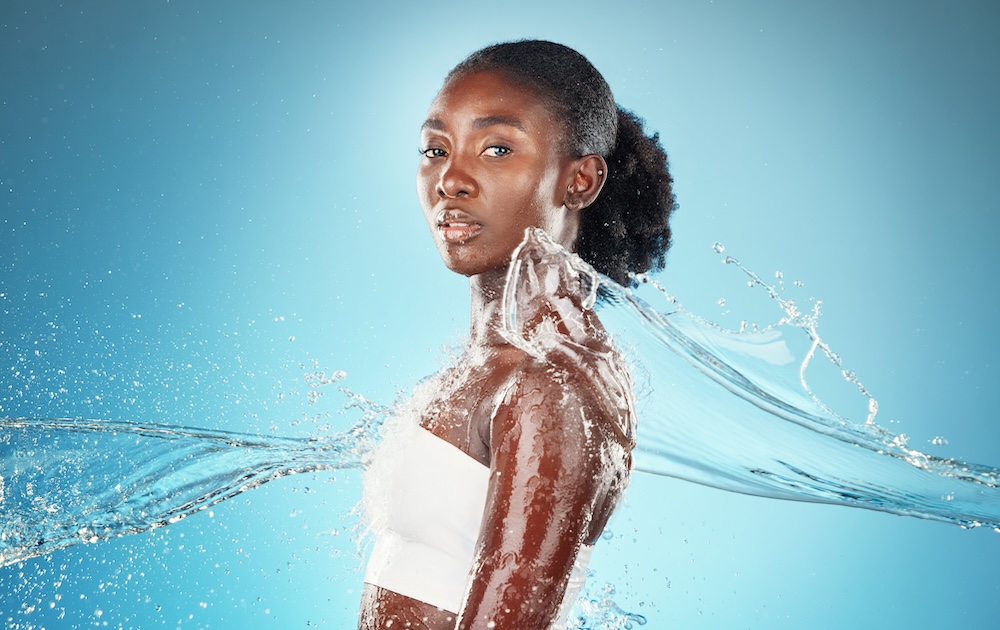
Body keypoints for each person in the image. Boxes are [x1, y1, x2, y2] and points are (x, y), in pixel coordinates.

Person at [358, 40, 676, 630]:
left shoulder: (549, 383)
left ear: (579, 180)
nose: (450, 178)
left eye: (497, 148)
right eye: (435, 149)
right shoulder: (494, 363)